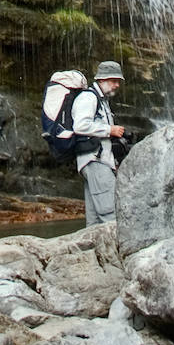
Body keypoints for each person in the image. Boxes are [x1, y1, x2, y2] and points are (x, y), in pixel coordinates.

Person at [71, 59, 126, 225]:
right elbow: (80, 126)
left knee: (94, 218)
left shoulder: (102, 101)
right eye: (113, 81)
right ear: (102, 80)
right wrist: (110, 130)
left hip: (98, 161)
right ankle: (119, 250)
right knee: (111, 214)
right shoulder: (88, 98)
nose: (117, 85)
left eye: (118, 81)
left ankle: (91, 250)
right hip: (95, 161)